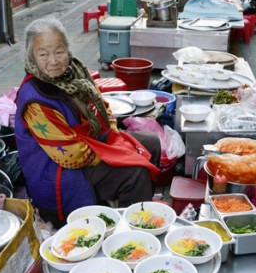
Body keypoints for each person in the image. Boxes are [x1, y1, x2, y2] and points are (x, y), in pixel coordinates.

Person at [15, 17, 161, 226]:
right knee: (135, 173)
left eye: (59, 51)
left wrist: (113, 132)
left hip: (91, 140)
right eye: (43, 54)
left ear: (68, 48)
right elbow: (71, 155)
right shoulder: (34, 98)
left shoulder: (75, 72)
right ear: (32, 57)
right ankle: (134, 232)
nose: (53, 61)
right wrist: (117, 154)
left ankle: (134, 208)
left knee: (151, 143)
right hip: (60, 164)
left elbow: (100, 104)